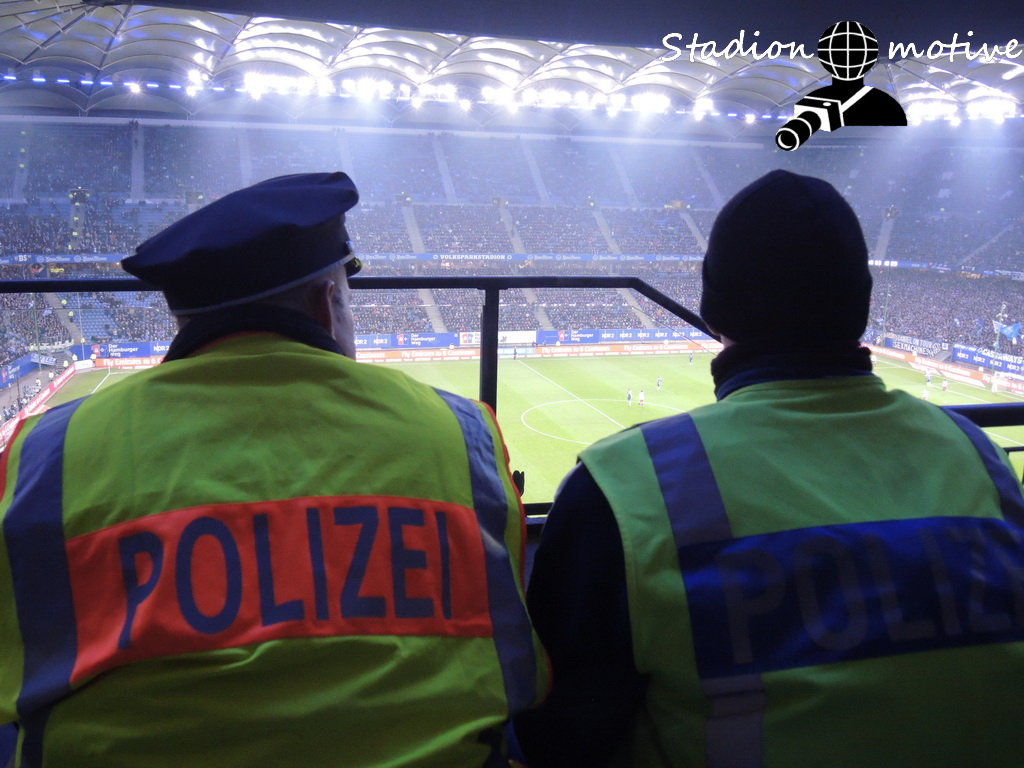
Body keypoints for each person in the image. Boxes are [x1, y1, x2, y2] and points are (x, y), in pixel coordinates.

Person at [0, 173, 547, 768]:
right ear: (328, 304)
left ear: (183, 321)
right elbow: (517, 664)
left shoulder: (43, 455)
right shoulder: (462, 434)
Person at [515, 170, 1024, 768]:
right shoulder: (981, 458)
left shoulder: (621, 488)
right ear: (860, 306)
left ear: (714, 313)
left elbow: (557, 735)